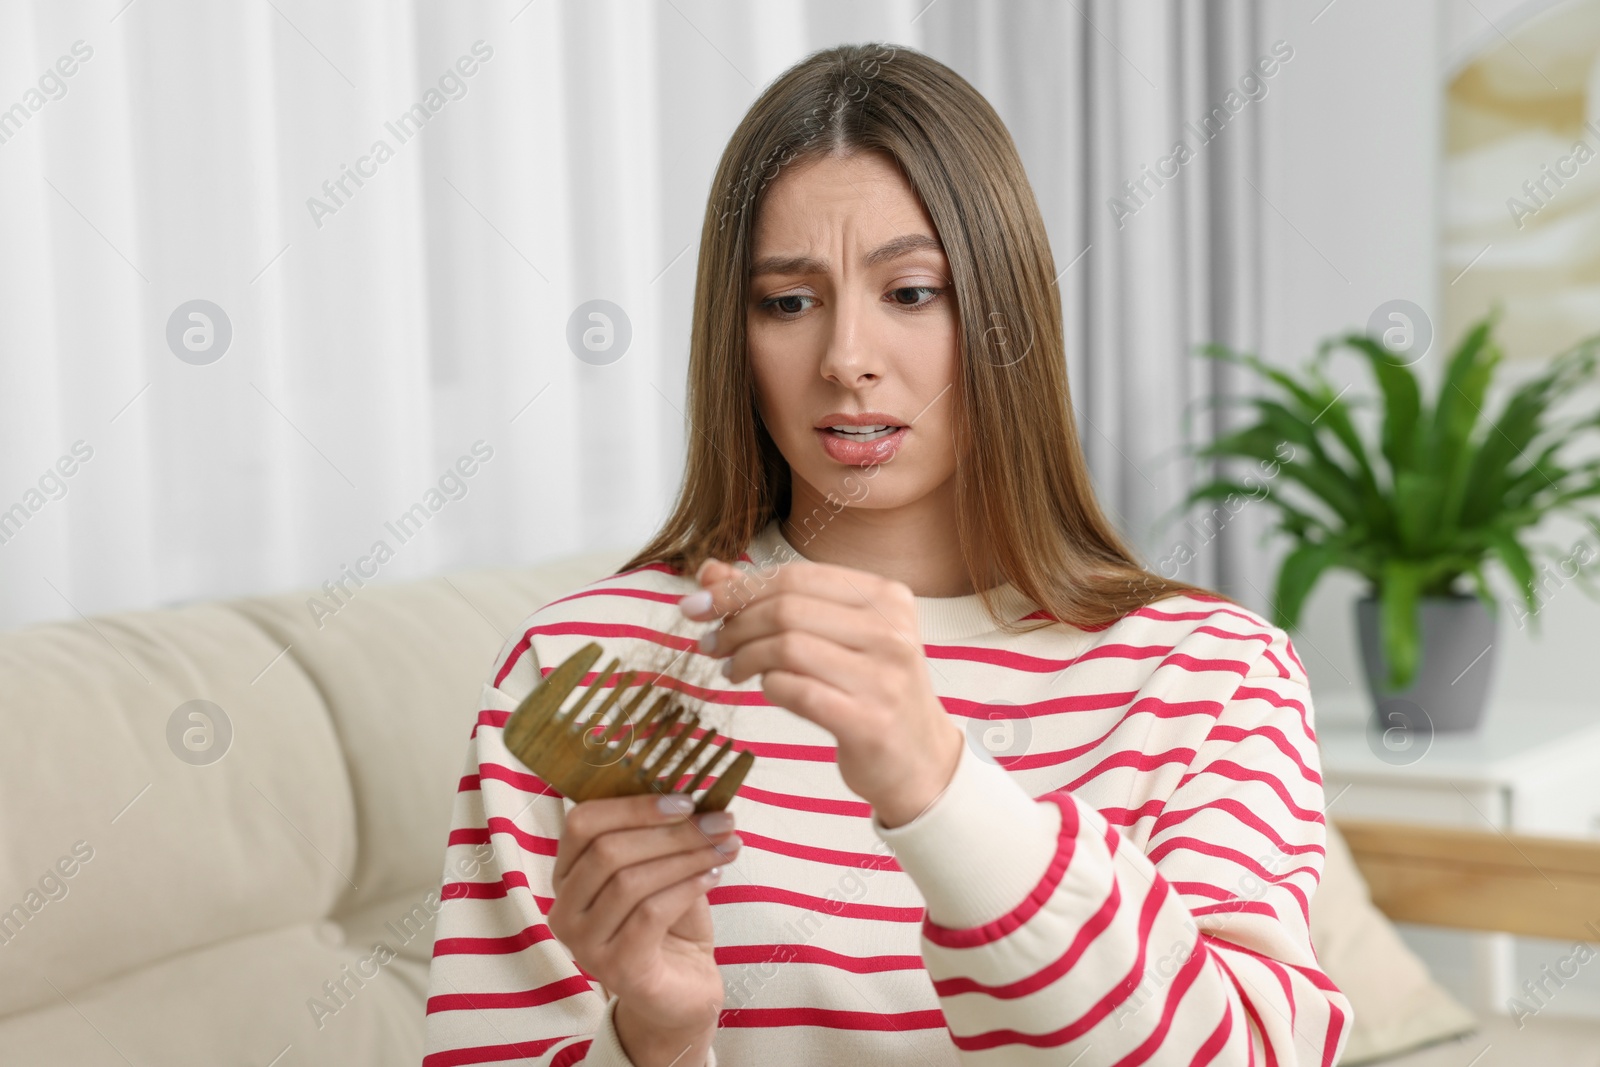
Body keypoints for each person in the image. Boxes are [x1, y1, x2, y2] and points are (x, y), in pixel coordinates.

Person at [423, 41, 1351, 1067]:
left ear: (1004, 316)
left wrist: (936, 778)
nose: (845, 358)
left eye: (910, 292)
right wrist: (657, 1035)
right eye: (787, 301)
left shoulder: (1210, 674)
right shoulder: (579, 664)